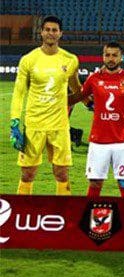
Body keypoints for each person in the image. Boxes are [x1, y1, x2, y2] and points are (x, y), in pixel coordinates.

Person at [68, 42, 124, 197]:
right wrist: (55, 99)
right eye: (107, 55)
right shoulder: (94, 78)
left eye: (114, 55)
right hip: (98, 141)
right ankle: (92, 213)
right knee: (95, 182)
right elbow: (78, 97)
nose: (111, 59)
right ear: (103, 56)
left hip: (122, 142)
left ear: (121, 57)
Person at [10, 16, 80, 195]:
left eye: (54, 30)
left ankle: (64, 209)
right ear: (41, 32)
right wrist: (15, 122)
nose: (51, 33)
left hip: (59, 125)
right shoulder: (28, 59)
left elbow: (77, 89)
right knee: (27, 174)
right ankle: (23, 209)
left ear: (60, 33)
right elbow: (19, 93)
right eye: (47, 29)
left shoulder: (70, 59)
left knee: (62, 173)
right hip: (34, 125)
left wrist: (93, 96)